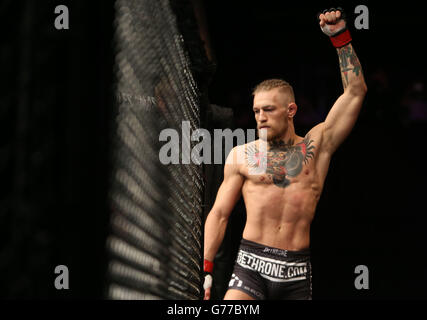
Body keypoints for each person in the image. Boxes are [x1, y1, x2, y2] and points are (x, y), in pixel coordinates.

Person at [203, 7, 367, 300]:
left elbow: (355, 92)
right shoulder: (242, 156)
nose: (260, 117)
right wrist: (207, 269)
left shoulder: (317, 146)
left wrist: (340, 37)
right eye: (256, 111)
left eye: (268, 109)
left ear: (291, 110)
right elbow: (219, 213)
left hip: (296, 271)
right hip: (249, 266)